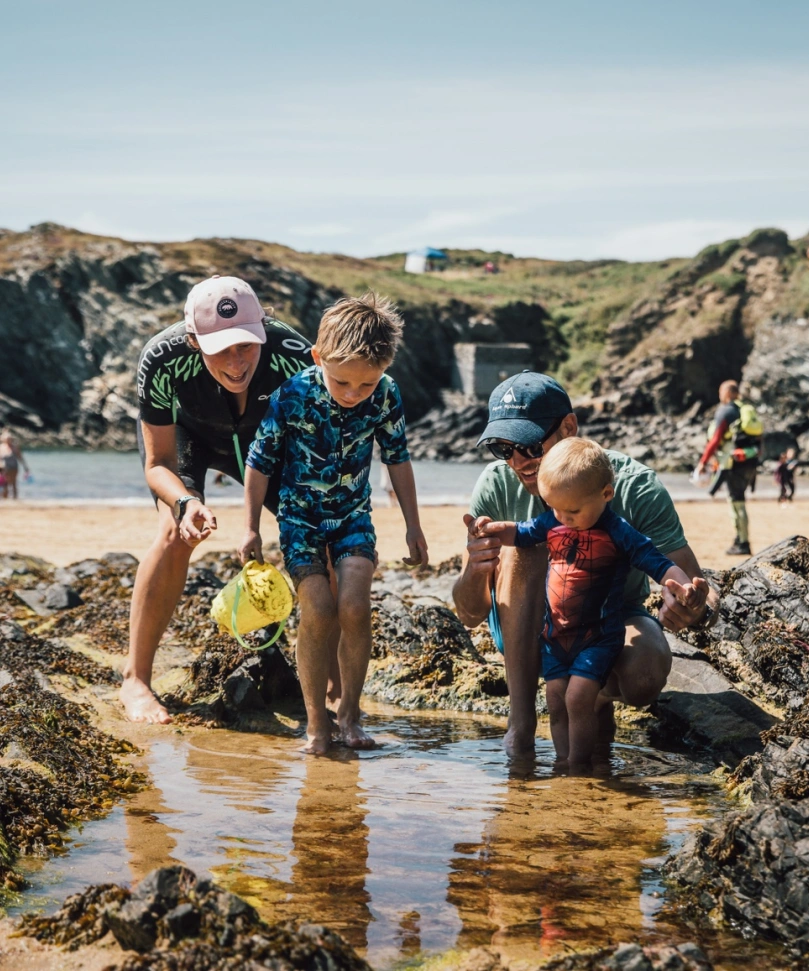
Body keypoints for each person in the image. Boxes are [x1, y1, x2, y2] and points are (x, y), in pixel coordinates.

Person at [452, 371, 718, 760]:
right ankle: (521, 724)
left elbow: (694, 588)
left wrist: (686, 603)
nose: (518, 461)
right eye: (502, 448)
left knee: (644, 674)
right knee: (523, 546)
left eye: (527, 445)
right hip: (528, 624)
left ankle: (590, 697)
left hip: (607, 619)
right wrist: (475, 570)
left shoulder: (632, 486)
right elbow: (469, 613)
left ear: (569, 427)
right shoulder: (496, 486)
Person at [240, 293, 429, 754]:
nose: (352, 394)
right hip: (300, 520)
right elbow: (259, 462)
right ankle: (316, 723)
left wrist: (413, 525)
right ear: (317, 357)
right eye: (342, 382)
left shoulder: (385, 394)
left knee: (355, 608)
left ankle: (349, 713)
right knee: (320, 611)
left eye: (365, 385)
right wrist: (250, 527)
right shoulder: (292, 396)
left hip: (352, 517)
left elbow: (398, 459)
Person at [125, 275, 312, 724]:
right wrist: (186, 504)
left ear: (263, 329)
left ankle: (326, 679)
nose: (235, 361)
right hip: (190, 437)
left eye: (246, 345)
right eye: (220, 349)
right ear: (194, 341)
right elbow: (158, 464)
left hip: (268, 444)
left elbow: (316, 451)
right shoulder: (162, 359)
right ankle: (135, 680)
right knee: (174, 533)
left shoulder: (296, 358)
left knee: (315, 535)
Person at [696, 379, 762, 555]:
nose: (720, 395)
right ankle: (740, 539)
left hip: (733, 463)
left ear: (727, 393)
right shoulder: (744, 410)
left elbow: (715, 440)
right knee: (739, 500)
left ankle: (743, 541)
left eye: (721, 392)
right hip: (749, 460)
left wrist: (703, 462)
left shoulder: (726, 411)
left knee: (736, 502)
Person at [0, 429, 30, 500]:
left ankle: (15, 499)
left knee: (13, 483)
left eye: (9, 439)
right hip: (4, 469)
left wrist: (25, 467)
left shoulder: (15, 447)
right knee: (4, 484)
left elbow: (20, 458)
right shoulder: (1, 447)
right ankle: (5, 500)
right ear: (4, 439)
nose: (8, 440)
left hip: (14, 468)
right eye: (7, 439)